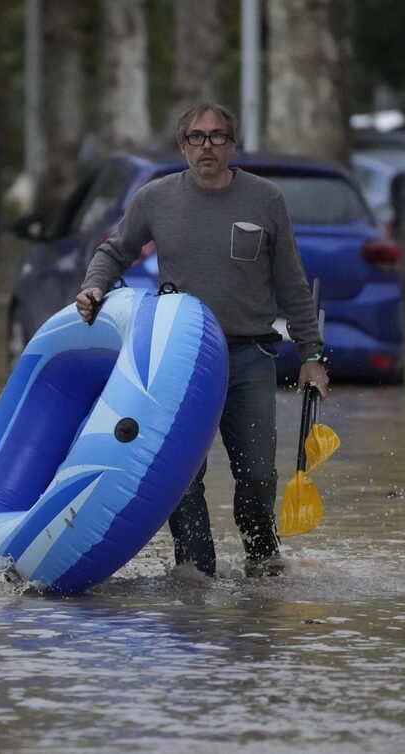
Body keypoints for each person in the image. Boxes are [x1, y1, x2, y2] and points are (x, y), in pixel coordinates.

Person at [76, 103, 328, 578]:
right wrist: (94, 285)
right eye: (196, 137)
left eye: (216, 137)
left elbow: (292, 283)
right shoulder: (156, 198)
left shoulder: (266, 199)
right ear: (182, 146)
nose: (205, 146)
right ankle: (195, 571)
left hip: (250, 353)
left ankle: (261, 560)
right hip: (180, 359)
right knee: (181, 478)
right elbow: (114, 252)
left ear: (233, 144)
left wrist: (312, 355)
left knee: (257, 474)